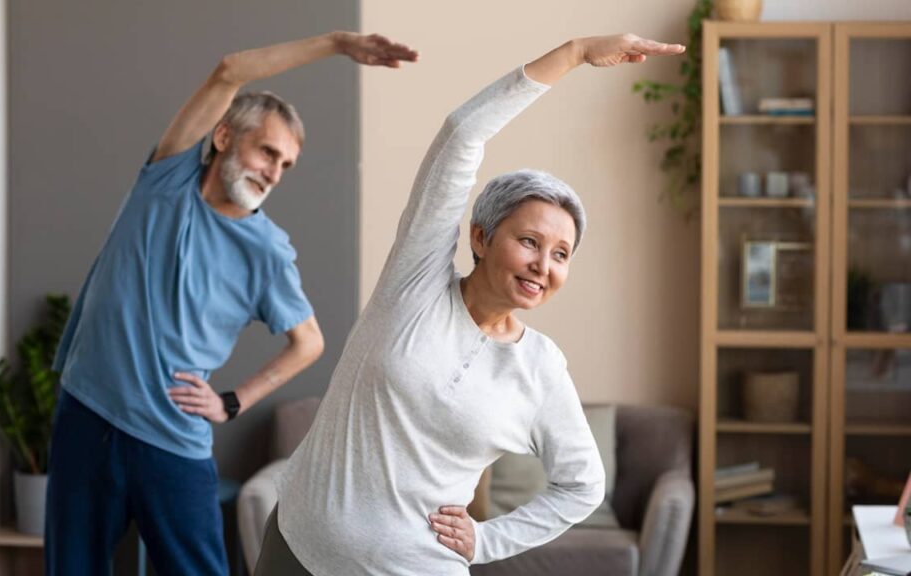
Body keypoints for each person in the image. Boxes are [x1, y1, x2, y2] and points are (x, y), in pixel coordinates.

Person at [258, 33, 685, 575]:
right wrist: (574, 54)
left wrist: (487, 541)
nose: (542, 265)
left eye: (560, 254)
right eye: (529, 242)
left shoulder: (541, 368)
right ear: (480, 238)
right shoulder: (414, 285)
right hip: (298, 550)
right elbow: (463, 133)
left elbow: (583, 485)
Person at [44, 32, 418, 576]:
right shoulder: (166, 179)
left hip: (171, 441)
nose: (273, 172)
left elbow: (309, 342)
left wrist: (233, 401)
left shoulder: (268, 252)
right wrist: (338, 44)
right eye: (268, 151)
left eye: (286, 165)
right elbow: (229, 71)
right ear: (222, 136)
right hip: (86, 415)